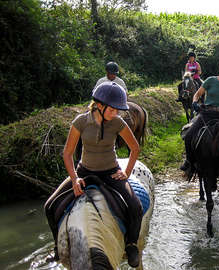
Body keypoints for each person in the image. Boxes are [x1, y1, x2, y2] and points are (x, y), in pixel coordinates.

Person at [44, 82, 142, 267]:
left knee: (135, 205)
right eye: (113, 110)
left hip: (110, 171)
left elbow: (135, 148)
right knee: (49, 207)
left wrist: (126, 173)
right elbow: (67, 153)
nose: (116, 114)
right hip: (84, 171)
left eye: (118, 110)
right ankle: (57, 248)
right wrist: (74, 179)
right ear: (99, 104)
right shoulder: (80, 122)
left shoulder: (118, 123)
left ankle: (131, 245)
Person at [180, 59, 219, 174]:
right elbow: (197, 94)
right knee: (189, 135)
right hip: (206, 113)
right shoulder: (210, 80)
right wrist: (194, 103)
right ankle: (188, 160)